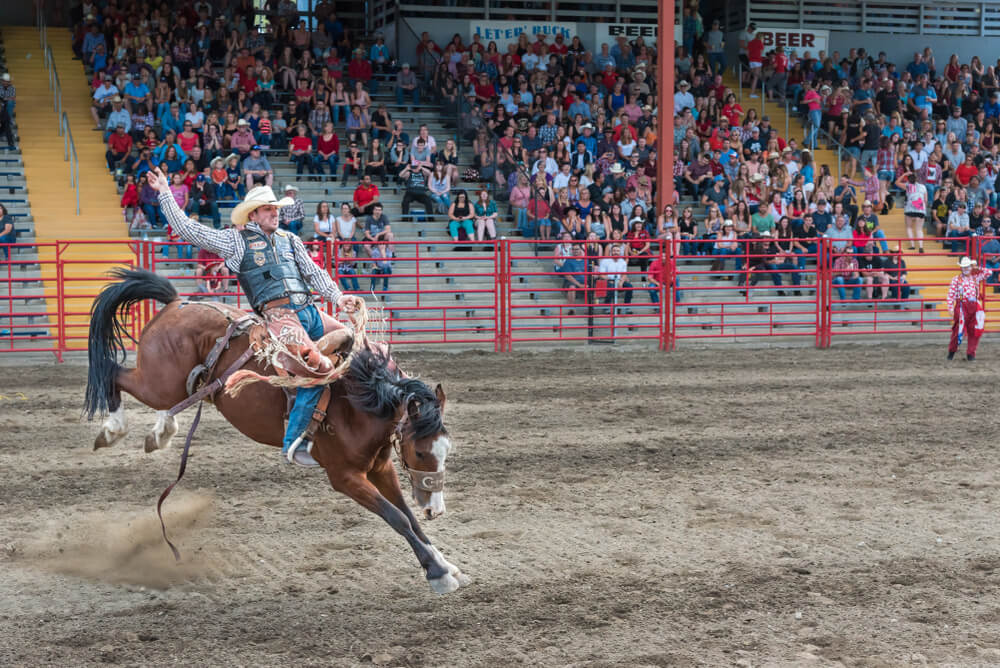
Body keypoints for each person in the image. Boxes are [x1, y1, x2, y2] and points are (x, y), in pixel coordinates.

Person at [148, 167, 362, 467]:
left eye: (276, 208)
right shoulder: (236, 241)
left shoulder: (291, 240)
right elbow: (190, 230)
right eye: (268, 209)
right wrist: (166, 193)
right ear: (253, 215)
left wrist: (339, 297)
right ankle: (294, 441)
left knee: (355, 344)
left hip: (310, 310)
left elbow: (314, 273)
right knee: (316, 365)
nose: (275, 213)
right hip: (279, 317)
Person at [947, 256, 992, 360]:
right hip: (961, 305)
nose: (966, 269)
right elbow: (951, 295)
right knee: (958, 329)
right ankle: (952, 351)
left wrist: (977, 268)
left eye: (968, 267)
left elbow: (989, 272)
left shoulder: (976, 277)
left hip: (974, 305)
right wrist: (950, 307)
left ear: (971, 267)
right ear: (961, 268)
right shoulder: (956, 279)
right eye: (964, 267)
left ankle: (971, 354)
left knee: (974, 330)